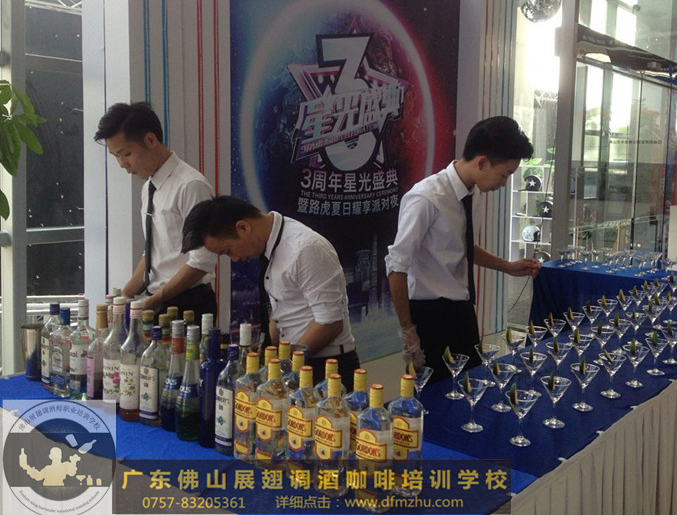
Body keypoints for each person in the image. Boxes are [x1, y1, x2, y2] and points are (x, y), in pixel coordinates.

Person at [385, 116, 541, 382]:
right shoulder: (426, 198)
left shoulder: (473, 192)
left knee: (471, 386)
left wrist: (507, 266)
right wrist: (407, 331)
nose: (504, 183)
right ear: (482, 162)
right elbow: (396, 266)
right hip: (429, 313)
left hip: (462, 310)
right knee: (435, 394)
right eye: (504, 174)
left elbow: (461, 246)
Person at [181, 195, 361, 389]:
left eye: (228, 251)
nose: (234, 258)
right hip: (295, 361)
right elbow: (280, 309)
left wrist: (284, 365)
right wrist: (271, 358)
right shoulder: (272, 246)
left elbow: (330, 323)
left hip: (326, 367)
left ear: (243, 227)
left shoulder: (306, 249)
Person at [94, 102, 217, 316]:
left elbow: (202, 261)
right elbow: (155, 251)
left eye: (126, 154)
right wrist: (126, 294)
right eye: (115, 156)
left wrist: (154, 300)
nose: (122, 164)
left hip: (188, 303)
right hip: (156, 300)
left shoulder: (190, 186)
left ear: (150, 140)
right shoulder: (149, 187)